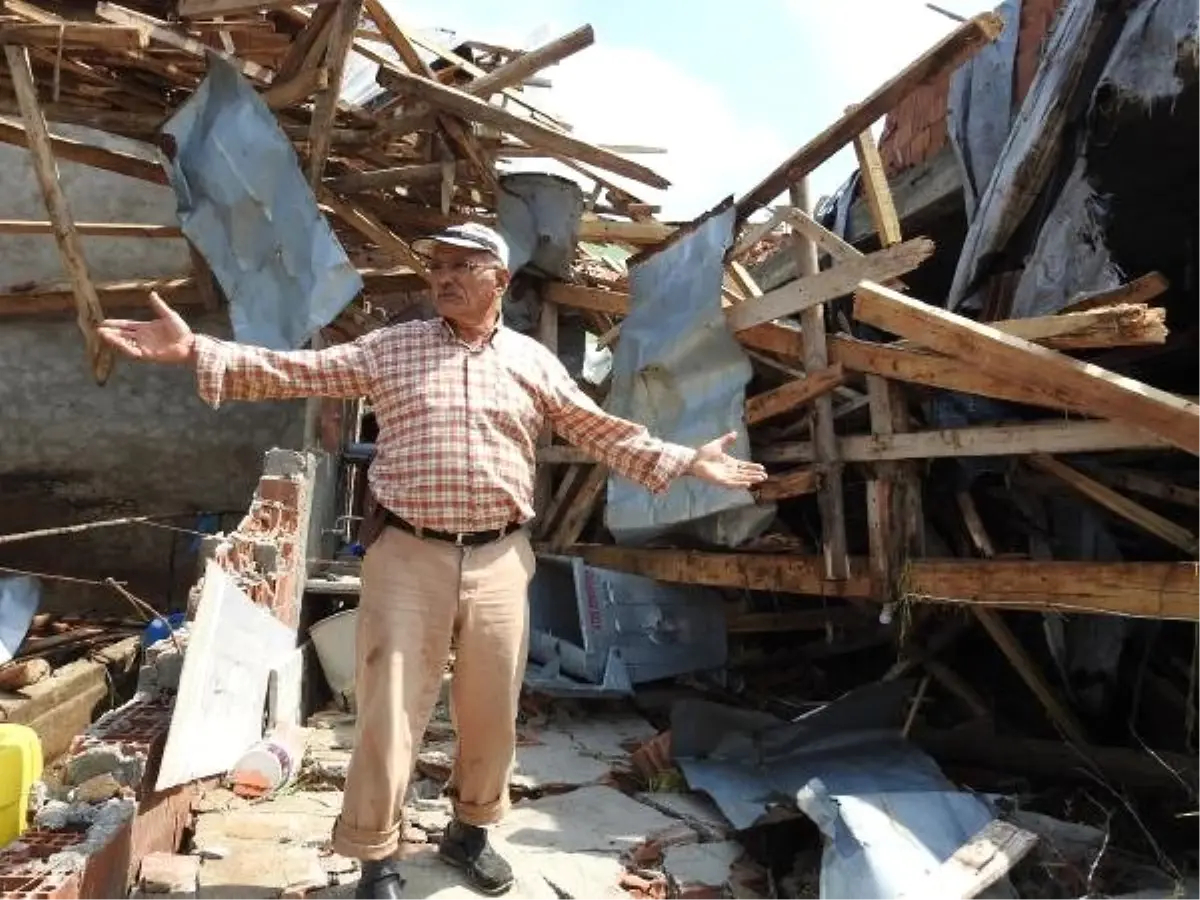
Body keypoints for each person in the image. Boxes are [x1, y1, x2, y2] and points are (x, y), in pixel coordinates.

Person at [98, 223, 767, 899]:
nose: (441, 277)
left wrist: (687, 460)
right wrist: (196, 352)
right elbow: (298, 370)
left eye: (460, 266)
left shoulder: (532, 362)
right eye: (435, 265)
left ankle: (471, 831)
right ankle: (375, 856)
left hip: (500, 558)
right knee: (388, 710)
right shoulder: (393, 348)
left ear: (499, 280)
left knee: (491, 711)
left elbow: (600, 430)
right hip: (407, 555)